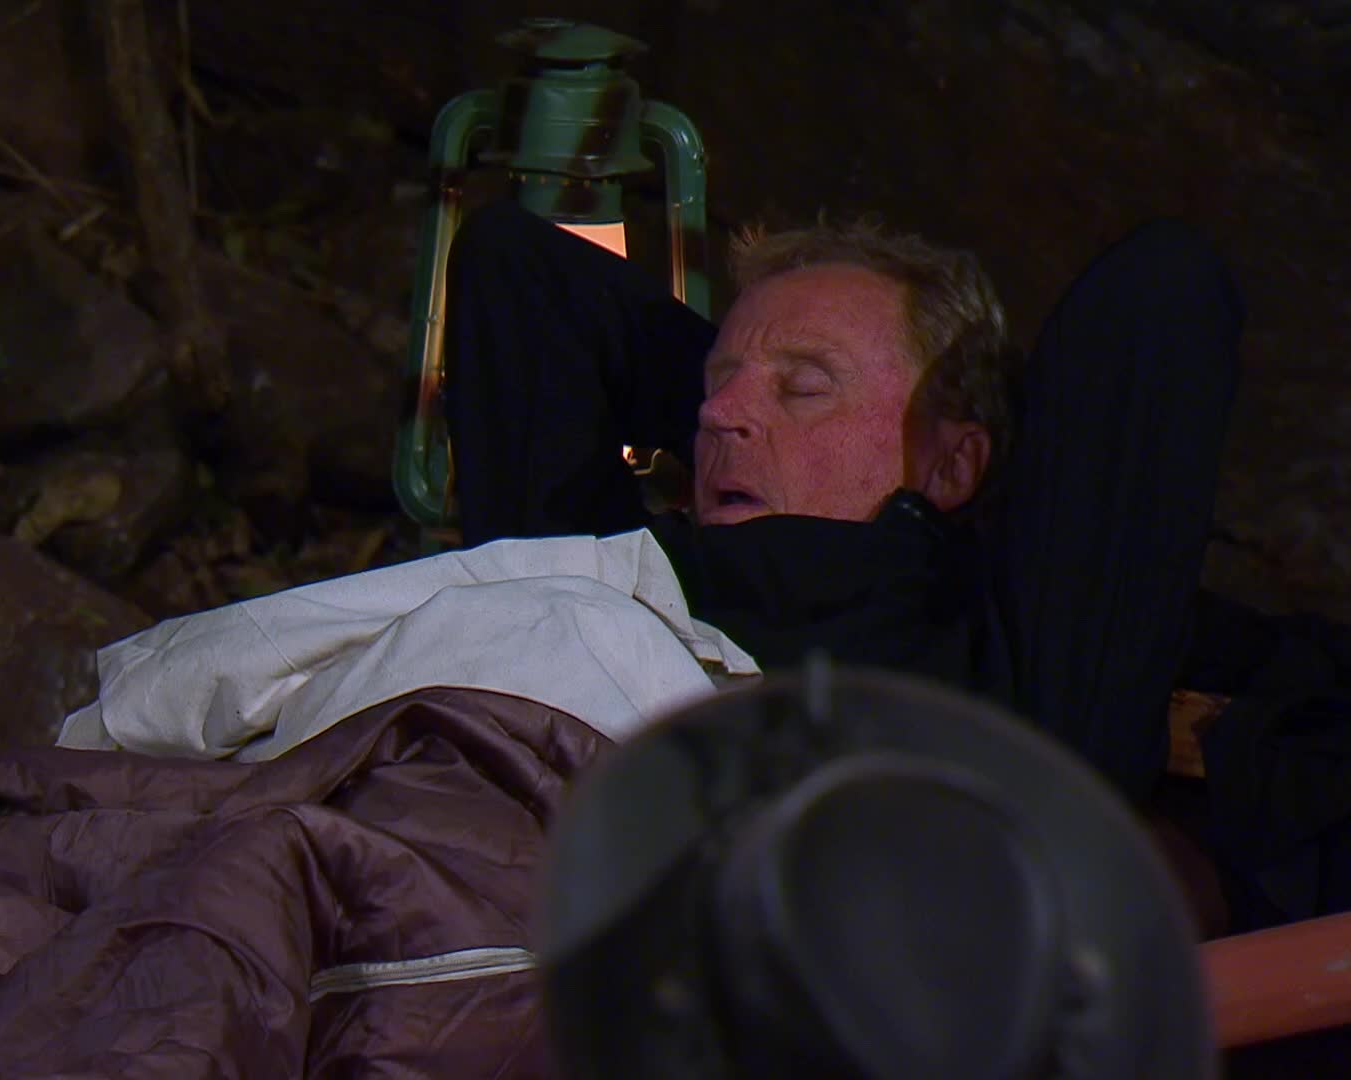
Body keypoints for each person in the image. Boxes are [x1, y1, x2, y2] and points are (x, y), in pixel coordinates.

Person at [444, 200, 1242, 803]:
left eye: (806, 387)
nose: (714, 415)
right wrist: (753, 394)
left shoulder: (1013, 677)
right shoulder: (585, 581)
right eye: (711, 387)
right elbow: (515, 266)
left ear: (953, 464)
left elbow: (1162, 284)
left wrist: (997, 468)